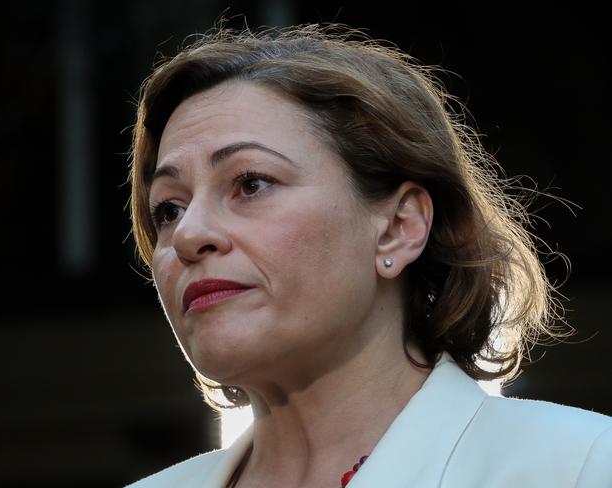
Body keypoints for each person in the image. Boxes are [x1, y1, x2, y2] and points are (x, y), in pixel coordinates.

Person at [125, 22, 612, 488]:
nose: (188, 234)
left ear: (399, 230)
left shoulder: (579, 468)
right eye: (168, 209)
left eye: (251, 183)